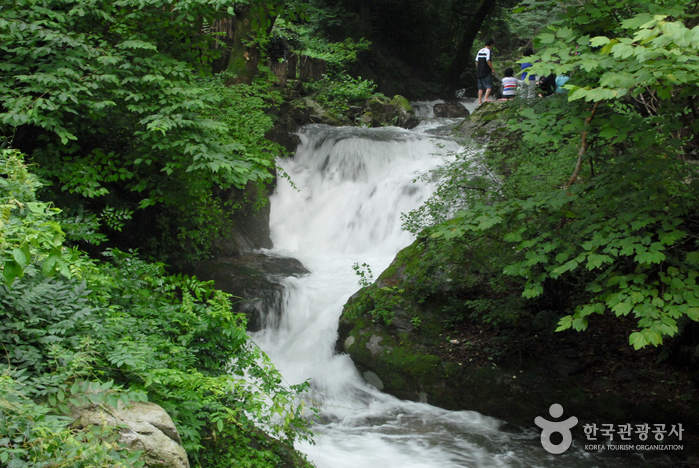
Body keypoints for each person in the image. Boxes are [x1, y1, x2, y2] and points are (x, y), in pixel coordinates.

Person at [475, 38, 495, 105]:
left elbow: (476, 62)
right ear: (491, 44)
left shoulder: (480, 50)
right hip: (486, 71)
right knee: (489, 86)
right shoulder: (488, 51)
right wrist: (492, 69)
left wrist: (478, 69)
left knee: (480, 87)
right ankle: (486, 98)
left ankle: (479, 101)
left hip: (479, 71)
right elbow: (488, 61)